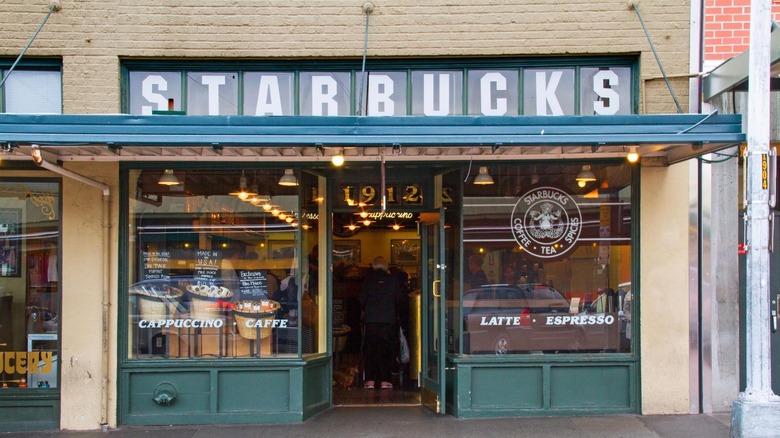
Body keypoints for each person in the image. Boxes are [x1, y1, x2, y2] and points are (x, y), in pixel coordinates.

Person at [360, 256, 403, 390]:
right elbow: (400, 300)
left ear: (373, 266)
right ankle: (385, 380)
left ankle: (370, 381)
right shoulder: (392, 281)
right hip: (388, 321)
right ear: (386, 266)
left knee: (371, 350)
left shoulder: (368, 281)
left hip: (371, 320)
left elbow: (361, 300)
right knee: (387, 350)